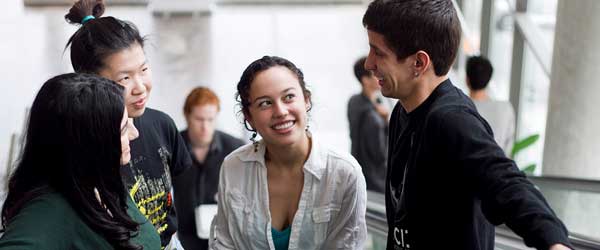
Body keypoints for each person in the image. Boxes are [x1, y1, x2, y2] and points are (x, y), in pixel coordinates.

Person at [362, 0, 572, 249]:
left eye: (379, 53)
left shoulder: (451, 120)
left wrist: (553, 242)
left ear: (419, 63)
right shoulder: (402, 111)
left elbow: (503, 178)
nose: (369, 63)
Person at [64, 0, 192, 247]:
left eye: (144, 69)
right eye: (125, 77)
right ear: (89, 80)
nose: (140, 87)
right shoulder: (77, 144)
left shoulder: (162, 124)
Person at [209, 56, 367, 250]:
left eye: (289, 97)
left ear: (306, 100)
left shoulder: (344, 172)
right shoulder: (234, 167)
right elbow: (224, 245)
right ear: (249, 117)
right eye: (265, 103)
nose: (281, 111)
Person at [0, 73, 160, 249]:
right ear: (90, 141)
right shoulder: (49, 213)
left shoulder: (102, 182)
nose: (134, 134)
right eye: (122, 129)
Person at [173, 87, 244, 250]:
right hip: (182, 239)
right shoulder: (172, 146)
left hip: (225, 238)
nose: (205, 126)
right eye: (199, 119)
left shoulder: (236, 148)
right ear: (187, 116)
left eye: (210, 119)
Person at [347, 56, 389, 193]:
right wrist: (385, 121)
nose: (379, 75)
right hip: (375, 182)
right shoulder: (374, 119)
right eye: (374, 73)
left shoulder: (354, 102)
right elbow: (381, 156)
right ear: (365, 80)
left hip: (357, 171)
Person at [466, 55, 516, 155]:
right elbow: (508, 147)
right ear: (489, 79)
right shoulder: (505, 109)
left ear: (467, 79)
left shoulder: (459, 108)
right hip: (498, 168)